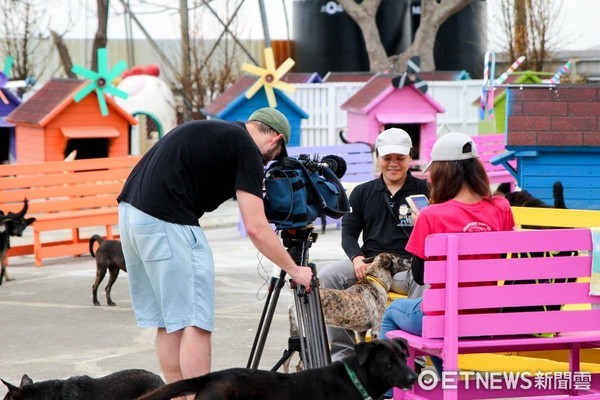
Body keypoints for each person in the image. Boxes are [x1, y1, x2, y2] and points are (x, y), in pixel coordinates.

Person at [117, 108, 313, 386]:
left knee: (169, 320)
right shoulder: (247, 149)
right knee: (196, 320)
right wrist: (294, 269)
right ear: (275, 139)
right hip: (166, 219)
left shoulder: (221, 133)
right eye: (277, 156)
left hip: (130, 214)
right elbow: (256, 227)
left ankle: (181, 396)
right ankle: (199, 395)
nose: (270, 163)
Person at [379, 131, 515, 374]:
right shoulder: (501, 207)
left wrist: (422, 227)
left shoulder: (432, 215)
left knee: (390, 312)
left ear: (443, 172)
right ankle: (449, 385)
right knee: (441, 327)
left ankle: (389, 391)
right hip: (489, 316)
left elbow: (420, 276)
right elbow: (503, 261)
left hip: (443, 318)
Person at [318, 127, 430, 362]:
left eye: (400, 158)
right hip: (370, 265)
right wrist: (356, 258)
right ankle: (344, 356)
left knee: (426, 278)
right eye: (387, 158)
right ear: (377, 158)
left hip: (408, 267)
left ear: (410, 158)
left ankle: (413, 357)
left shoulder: (425, 191)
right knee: (328, 275)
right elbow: (348, 234)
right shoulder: (362, 192)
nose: (393, 164)